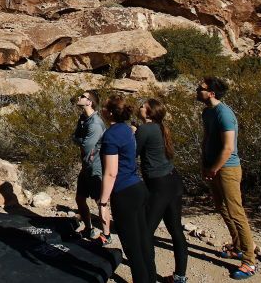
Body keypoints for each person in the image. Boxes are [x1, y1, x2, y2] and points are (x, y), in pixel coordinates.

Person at [198, 77, 257, 280]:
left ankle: (249, 261)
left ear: (211, 93)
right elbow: (207, 138)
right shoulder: (207, 112)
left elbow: (228, 148)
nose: (198, 90)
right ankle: (238, 246)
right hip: (213, 167)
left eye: (202, 88)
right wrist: (205, 163)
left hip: (228, 169)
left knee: (236, 212)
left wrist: (214, 168)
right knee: (221, 207)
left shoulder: (224, 114)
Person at [99, 95, 157, 283]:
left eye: (104, 107)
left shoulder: (111, 134)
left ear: (109, 112)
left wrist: (103, 202)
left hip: (124, 193)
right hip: (137, 188)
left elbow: (110, 173)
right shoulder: (127, 129)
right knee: (143, 241)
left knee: (132, 248)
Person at [136, 98, 188, 283]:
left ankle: (148, 276)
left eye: (143, 106)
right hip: (173, 181)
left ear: (149, 112)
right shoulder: (160, 127)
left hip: (159, 186)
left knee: (146, 232)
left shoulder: (144, 129)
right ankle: (180, 276)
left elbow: (133, 152)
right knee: (175, 229)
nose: (139, 107)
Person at [72, 90, 109, 242]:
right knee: (80, 198)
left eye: (83, 96)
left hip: (95, 167)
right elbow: (76, 137)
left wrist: (78, 139)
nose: (79, 97)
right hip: (86, 165)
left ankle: (106, 234)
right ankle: (89, 228)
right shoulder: (84, 119)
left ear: (89, 102)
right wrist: (79, 138)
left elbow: (87, 145)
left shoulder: (95, 124)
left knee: (100, 202)